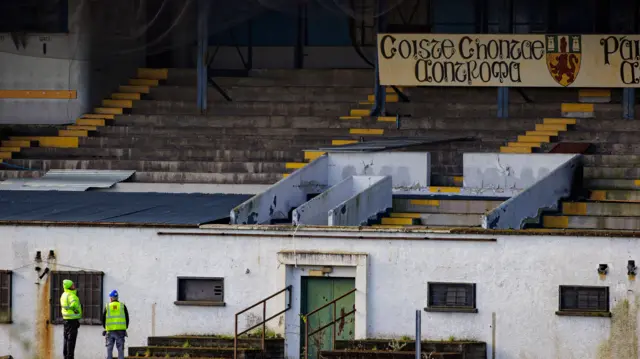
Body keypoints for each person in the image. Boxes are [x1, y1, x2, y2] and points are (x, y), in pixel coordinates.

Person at [101, 290, 129, 359]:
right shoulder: (122, 306)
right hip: (120, 331)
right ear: (117, 297)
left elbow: (103, 318)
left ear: (110, 298)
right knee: (120, 349)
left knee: (109, 348)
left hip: (110, 331)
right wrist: (125, 327)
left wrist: (105, 328)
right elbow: (127, 318)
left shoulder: (107, 306)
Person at [60, 279, 82, 359]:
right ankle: (70, 357)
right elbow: (74, 305)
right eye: (72, 285)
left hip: (66, 320)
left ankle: (66, 356)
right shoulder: (72, 296)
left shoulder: (63, 294)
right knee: (71, 341)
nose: (74, 286)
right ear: (69, 286)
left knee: (66, 340)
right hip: (73, 321)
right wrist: (76, 311)